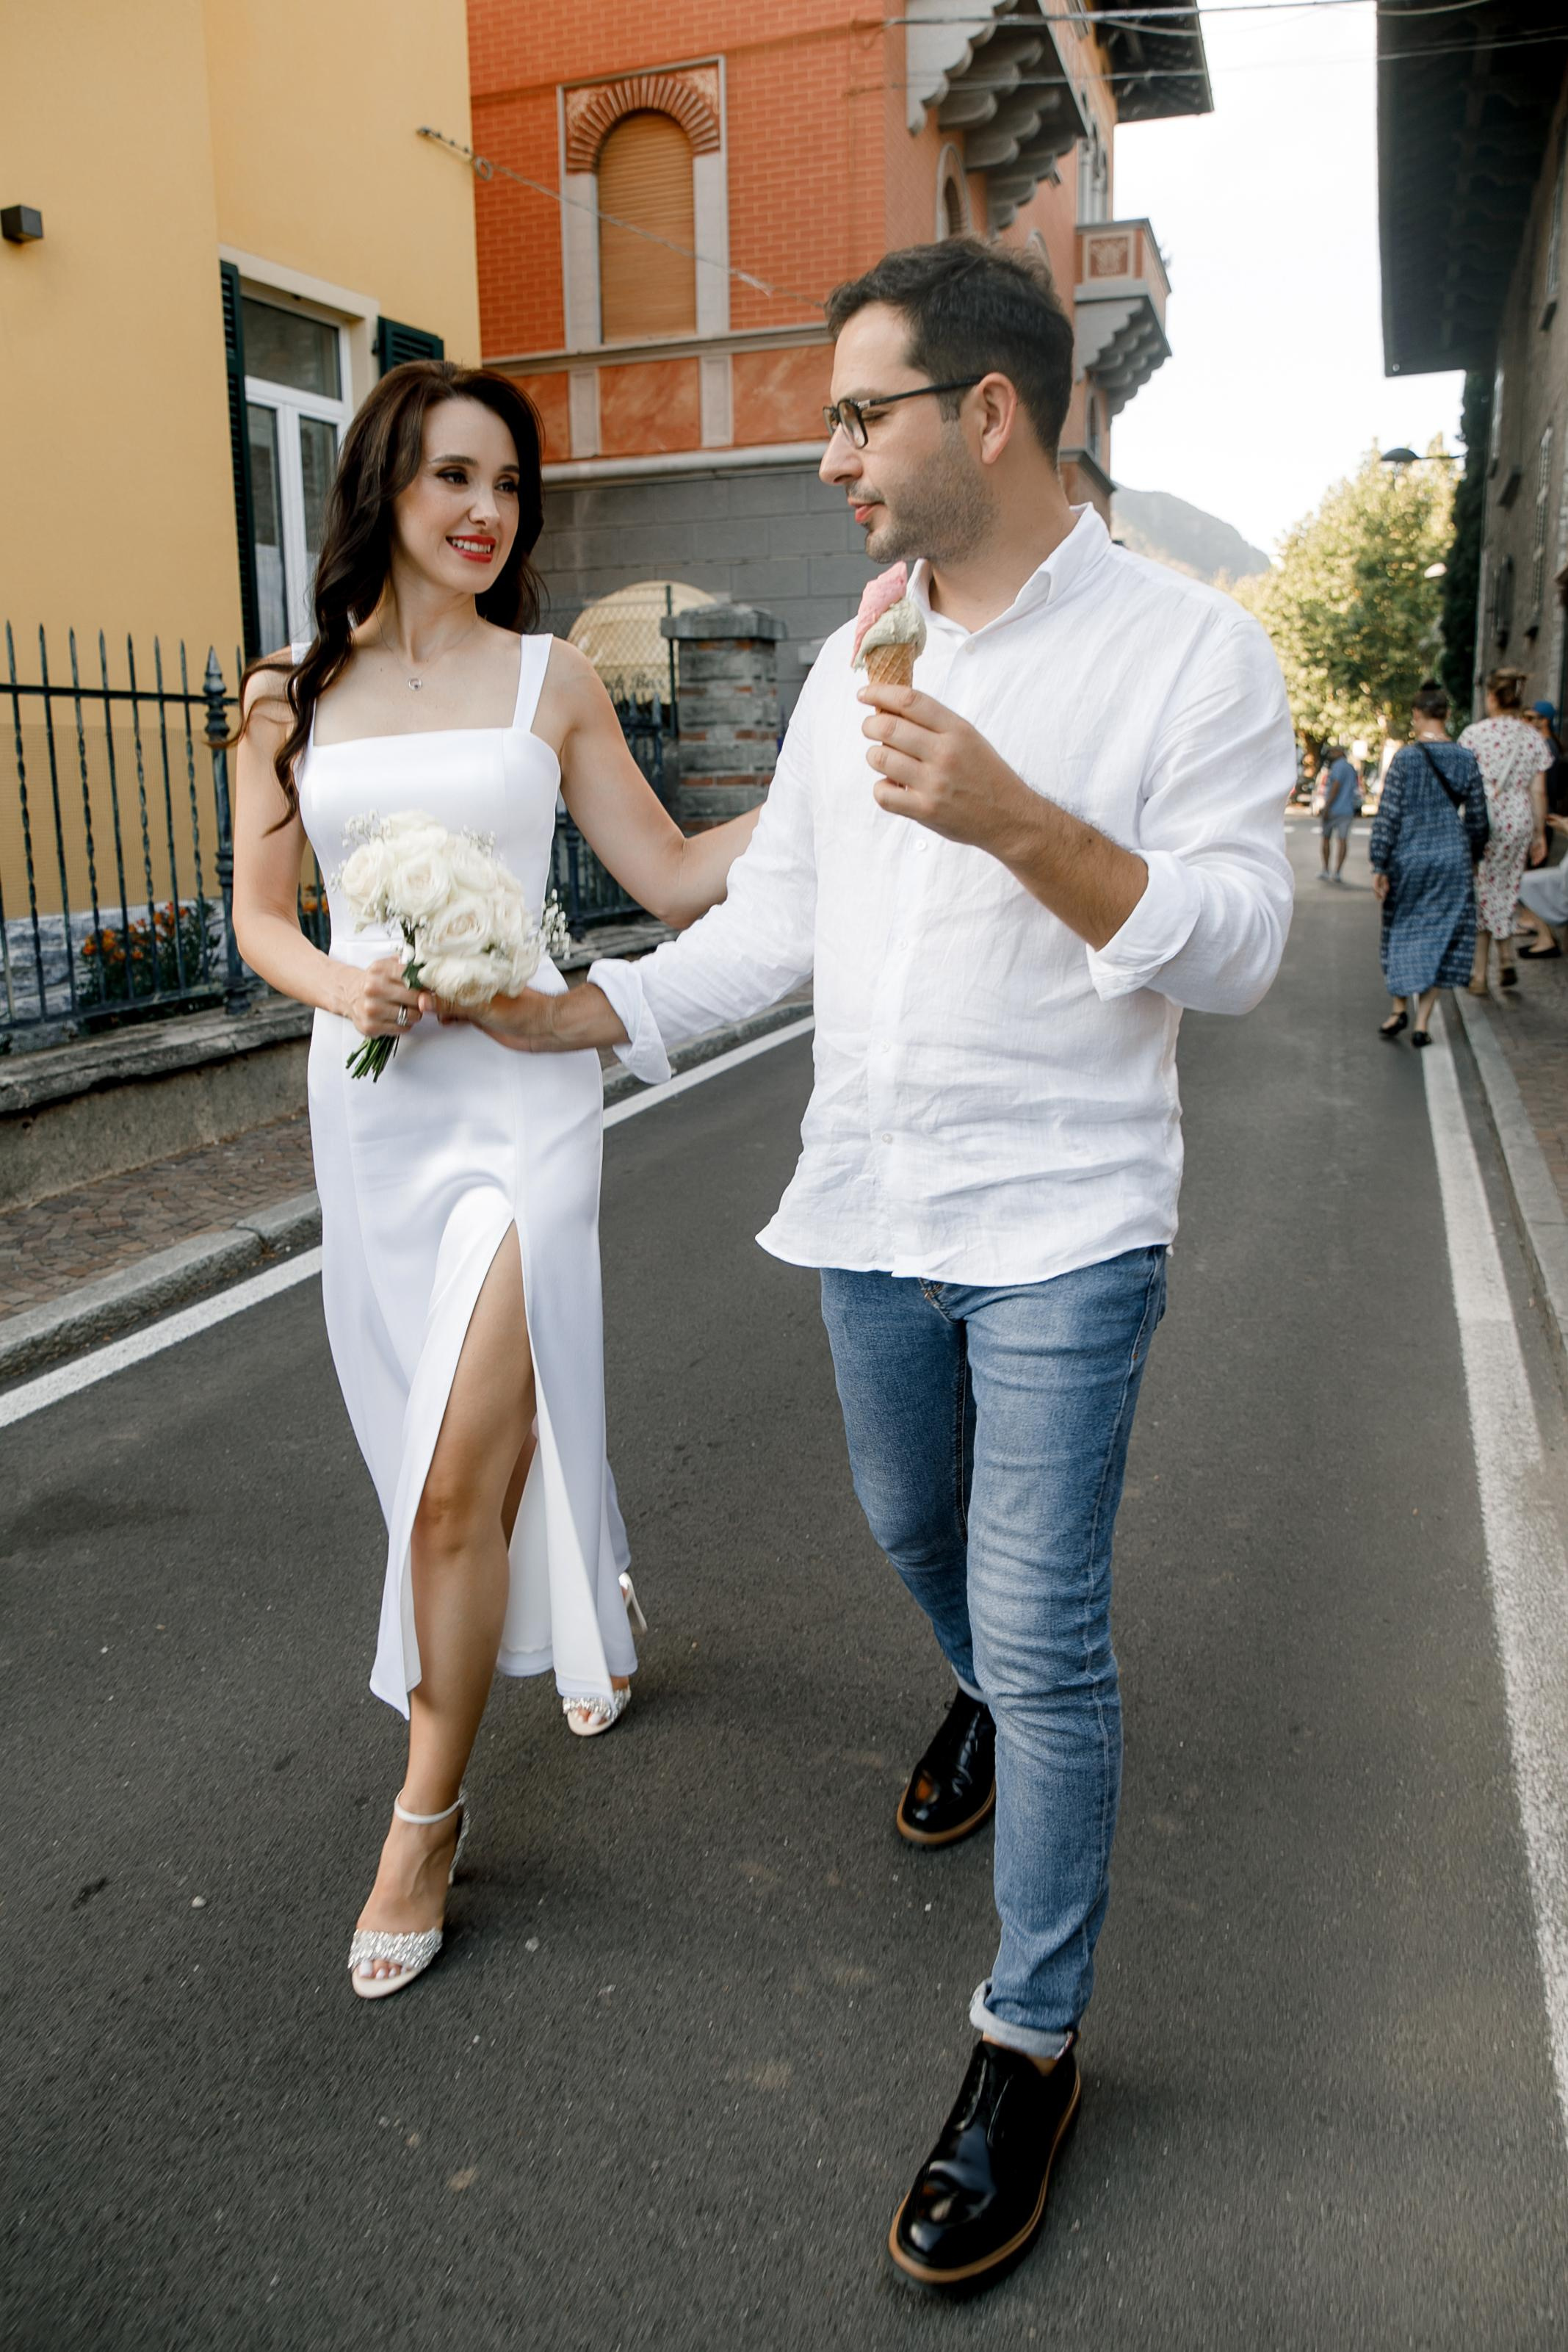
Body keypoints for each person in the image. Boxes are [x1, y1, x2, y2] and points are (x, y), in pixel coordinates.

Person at [466, 239, 1294, 2291]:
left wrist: (1023, 822)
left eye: (853, 411)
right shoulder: (854, 668)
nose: (820, 449)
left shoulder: (1188, 659)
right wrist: (592, 1003)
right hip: (870, 1201)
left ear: (983, 414)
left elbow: (1244, 941)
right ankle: (983, 1694)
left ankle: (1024, 2044)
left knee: (1041, 1620)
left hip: (1066, 1222)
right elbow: (780, 931)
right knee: (908, 1534)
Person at [231, 361, 759, 1999]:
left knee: (460, 1478)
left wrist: (812, 794)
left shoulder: (551, 681)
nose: (485, 511)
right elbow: (263, 922)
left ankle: (425, 1810)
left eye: (509, 487)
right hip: (373, 1106)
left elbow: (670, 877)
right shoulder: (280, 697)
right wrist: (345, 989)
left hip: (526, 1095)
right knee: (433, 1442)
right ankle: (587, 1552)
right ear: (381, 482)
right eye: (455, 476)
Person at [1368, 681, 1489, 1044]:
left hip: (1410, 857)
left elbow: (1388, 815)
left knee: (1402, 929)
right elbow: (1479, 818)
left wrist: (1380, 863)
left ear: (1417, 715)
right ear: (1447, 714)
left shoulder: (1406, 758)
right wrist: (1474, 855)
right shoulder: (1466, 758)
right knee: (1444, 934)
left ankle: (1397, 1010)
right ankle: (1422, 1023)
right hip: (1452, 856)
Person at [1460, 667, 1550, 990]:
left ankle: (1480, 974)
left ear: (1495, 697)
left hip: (1486, 818)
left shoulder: (1474, 734)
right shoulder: (1532, 738)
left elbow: (1463, 784)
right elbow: (1538, 791)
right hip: (1520, 818)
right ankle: (1507, 959)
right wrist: (1540, 834)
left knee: (1484, 889)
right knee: (1507, 888)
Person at [1517, 701, 1567, 956]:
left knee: (1532, 876)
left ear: (1542, 720)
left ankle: (1540, 931)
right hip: (1544, 816)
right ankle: (1536, 926)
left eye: (1530, 716)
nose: (1525, 721)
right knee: (1534, 876)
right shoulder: (1550, 746)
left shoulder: (1546, 747)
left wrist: (1541, 822)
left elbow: (1543, 789)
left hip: (1542, 817)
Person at [1318, 743, 1361, 881]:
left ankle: (1326, 870)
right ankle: (1337, 872)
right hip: (1347, 809)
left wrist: (1327, 807)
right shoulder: (1351, 768)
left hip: (1334, 809)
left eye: (1333, 752)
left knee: (1326, 839)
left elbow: (1336, 786)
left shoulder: (1337, 767)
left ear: (1339, 752)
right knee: (1342, 840)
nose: (1330, 755)